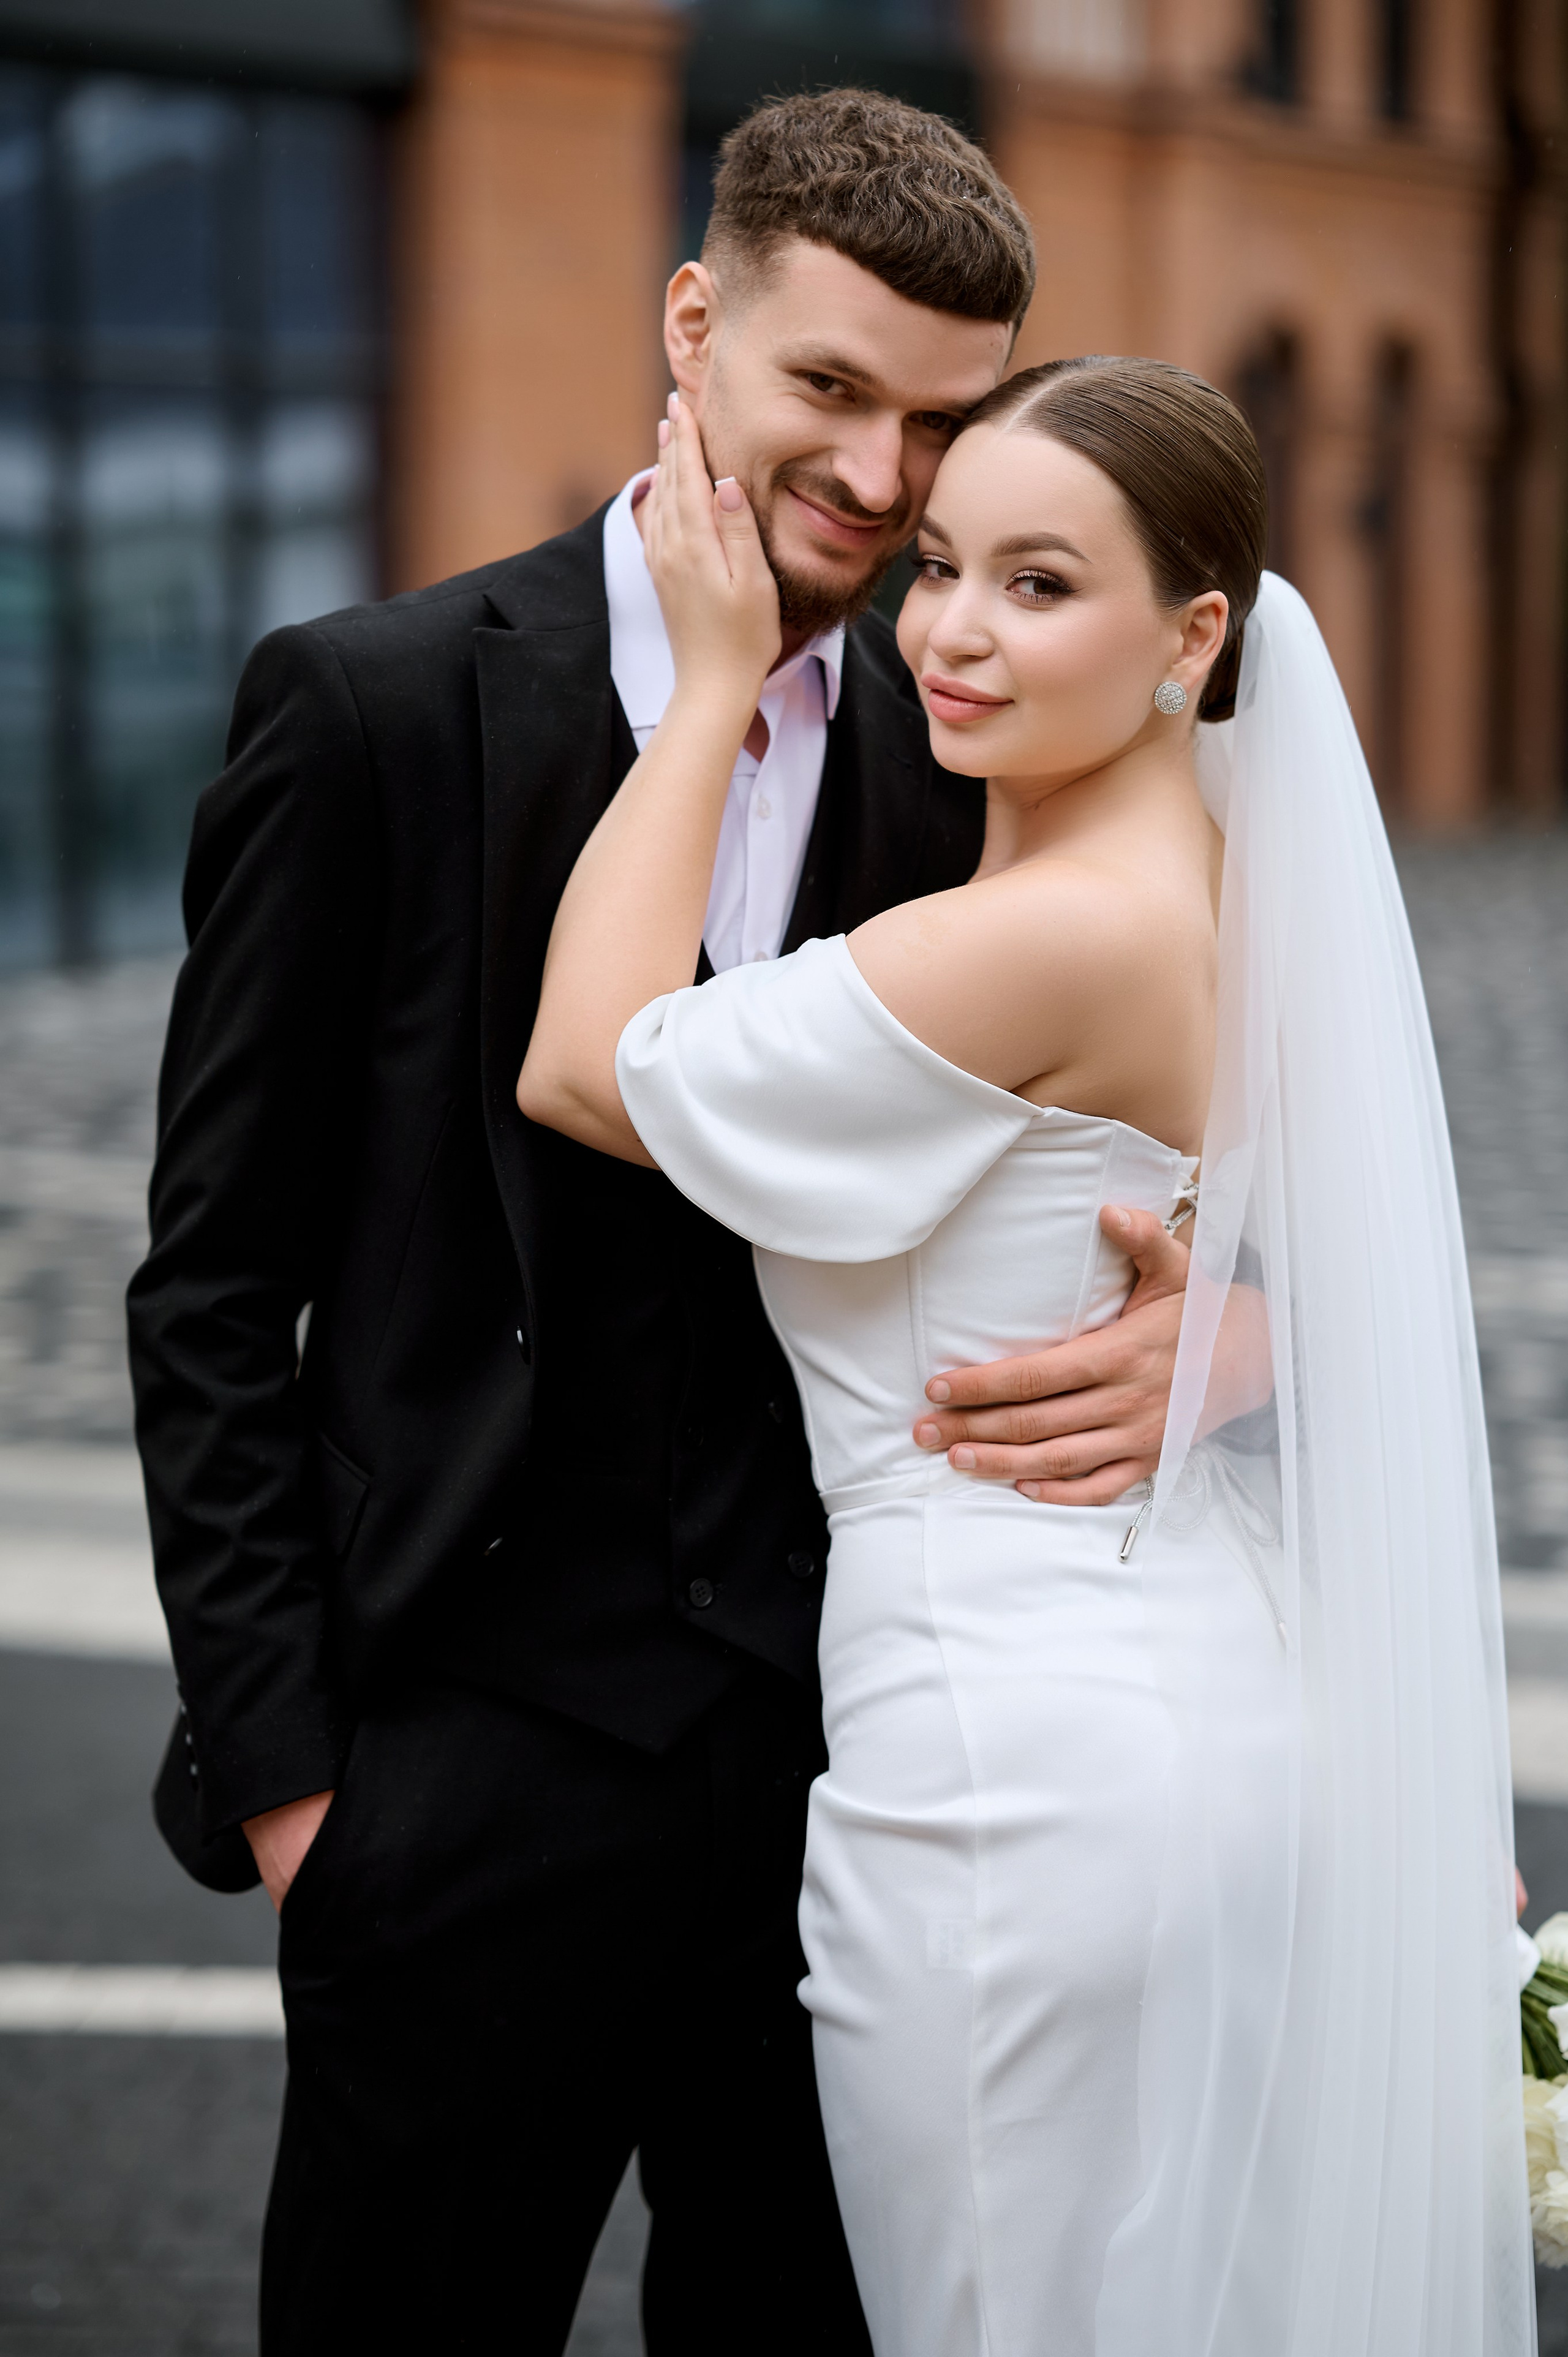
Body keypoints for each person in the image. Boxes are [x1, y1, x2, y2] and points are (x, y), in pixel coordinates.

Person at [126, 93, 1223, 2355]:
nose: (884, 476)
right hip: (457, 1772)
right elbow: (217, 1282)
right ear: (695, 322)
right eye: (831, 390)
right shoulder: (374, 710)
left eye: (946, 421)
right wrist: (305, 1790)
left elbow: (1180, 1094)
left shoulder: (991, 739)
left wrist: (1235, 1322)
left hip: (878, 1795)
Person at [519, 360, 1532, 2351]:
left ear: (1195, 632)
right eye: (943, 568)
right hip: (1221, 1696)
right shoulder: (1245, 872)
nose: (955, 634)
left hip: (1019, 1758)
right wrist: (1241, 1328)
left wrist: (718, 676)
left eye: (1041, 584)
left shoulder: (1055, 928)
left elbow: (587, 1064)